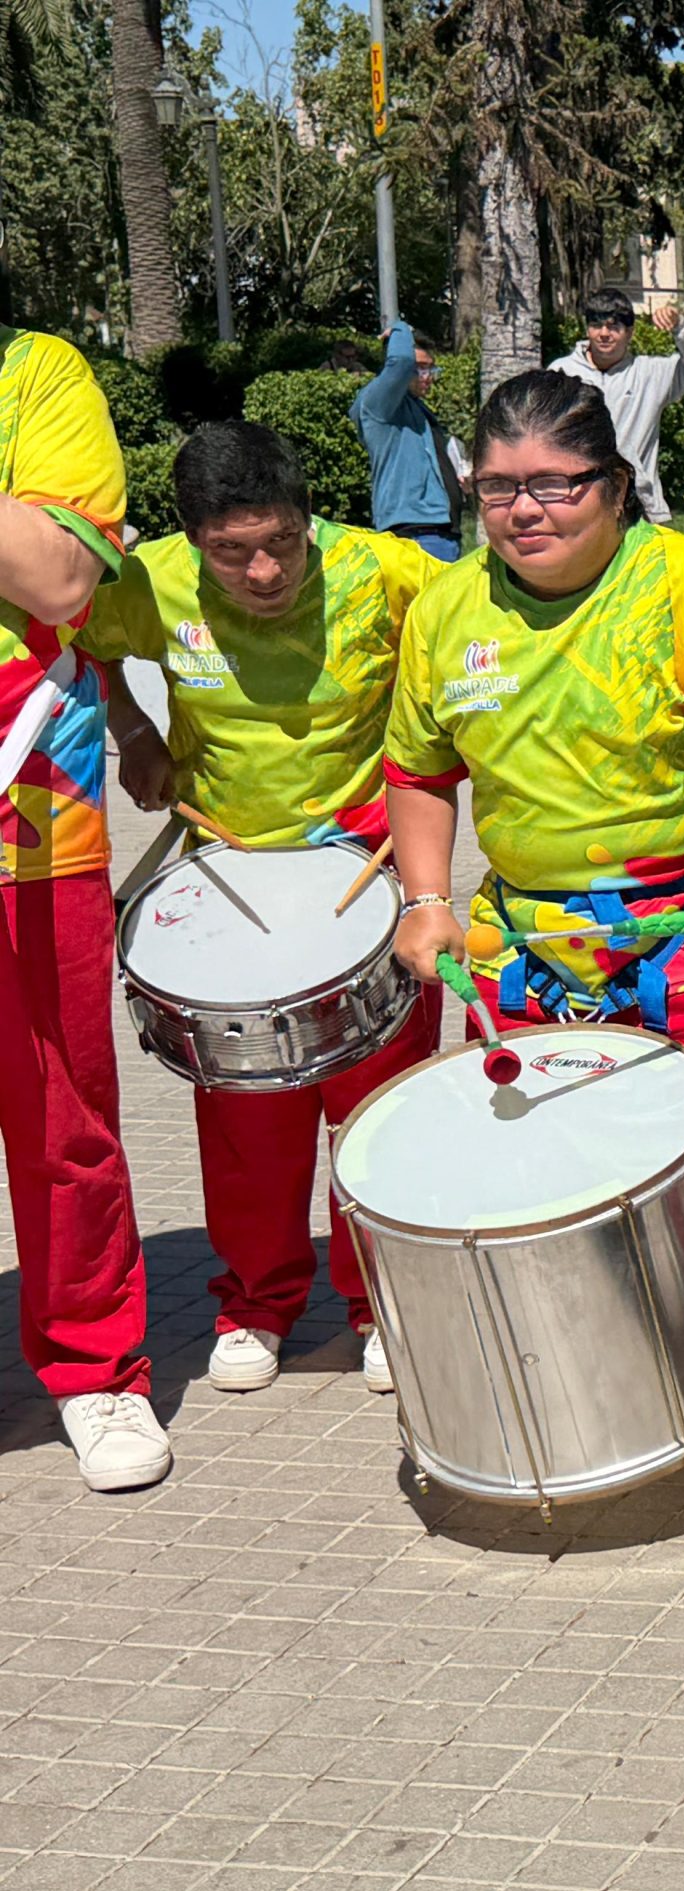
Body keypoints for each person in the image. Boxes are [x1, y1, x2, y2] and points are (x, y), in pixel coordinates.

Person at [382, 371, 684, 1471]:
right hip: (526, 941)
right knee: (552, 1167)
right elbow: (419, 769)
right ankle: (586, 1373)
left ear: (617, 488)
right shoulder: (446, 611)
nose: (524, 511)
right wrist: (426, 898)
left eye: (554, 486)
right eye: (496, 489)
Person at [86, 421, 443, 1396]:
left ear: (308, 520)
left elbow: (475, 642)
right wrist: (134, 732)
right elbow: (87, 640)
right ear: (192, 539)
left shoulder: (387, 572)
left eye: (281, 541)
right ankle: (256, 1302)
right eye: (231, 551)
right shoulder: (150, 582)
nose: (261, 570)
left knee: (380, 1119)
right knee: (248, 1126)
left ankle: (383, 1305)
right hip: (234, 891)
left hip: (370, 884)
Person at [0, 322, 165, 1491]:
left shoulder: (37, 371)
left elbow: (59, 576)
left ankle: (95, 1369)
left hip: (33, 830)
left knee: (61, 1120)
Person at [549, 290, 684, 524]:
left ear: (629, 332)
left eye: (613, 327)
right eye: (596, 325)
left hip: (639, 507)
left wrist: (680, 325)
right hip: (574, 503)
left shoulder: (650, 373)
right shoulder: (561, 373)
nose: (604, 334)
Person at [349, 321, 462, 561]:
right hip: (414, 535)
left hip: (442, 533)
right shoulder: (379, 405)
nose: (427, 377)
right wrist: (401, 329)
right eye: (419, 368)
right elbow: (400, 362)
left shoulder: (418, 412)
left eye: (431, 369)